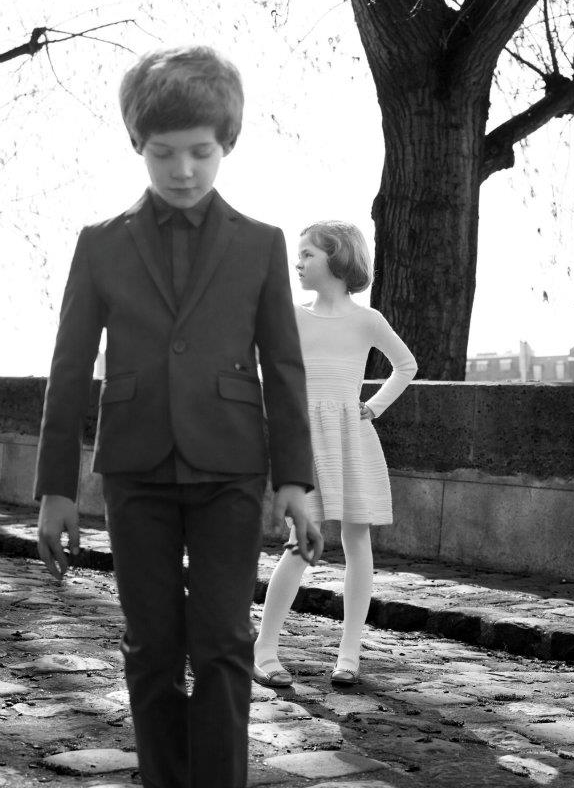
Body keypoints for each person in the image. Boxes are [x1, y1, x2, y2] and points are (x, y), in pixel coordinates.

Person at [34, 45, 323, 788]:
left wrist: (296, 481)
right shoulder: (100, 244)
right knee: (152, 646)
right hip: (134, 470)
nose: (183, 170)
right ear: (138, 143)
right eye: (163, 153)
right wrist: (56, 489)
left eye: (201, 151)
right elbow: (69, 368)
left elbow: (283, 367)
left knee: (223, 643)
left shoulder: (260, 244)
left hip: (231, 468)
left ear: (227, 143)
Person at [253, 220, 417, 688]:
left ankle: (349, 655)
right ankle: (264, 649)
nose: (298, 262)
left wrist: (372, 407)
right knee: (299, 542)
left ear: (339, 259)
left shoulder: (368, 320)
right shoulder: (291, 315)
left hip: (351, 436)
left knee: (357, 540)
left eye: (309, 254)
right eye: (299, 254)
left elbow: (406, 365)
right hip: (306, 438)